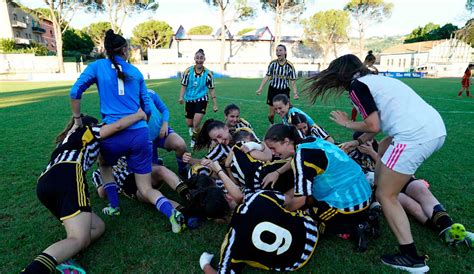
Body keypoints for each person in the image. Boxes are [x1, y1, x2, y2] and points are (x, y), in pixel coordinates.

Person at [305, 54, 447, 272]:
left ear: (341, 73)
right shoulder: (378, 80)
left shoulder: (356, 86)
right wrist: (357, 143)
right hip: (435, 129)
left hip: (414, 136)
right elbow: (380, 128)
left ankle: (411, 258)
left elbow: (372, 125)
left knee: (385, 195)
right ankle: (389, 205)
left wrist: (347, 123)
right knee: (383, 158)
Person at [69, 29, 185, 232]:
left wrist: (78, 120)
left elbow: (75, 91)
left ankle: (114, 206)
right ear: (125, 50)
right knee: (146, 188)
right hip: (139, 134)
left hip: (112, 135)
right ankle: (172, 214)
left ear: (107, 50)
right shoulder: (137, 72)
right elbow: (147, 107)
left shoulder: (97, 66)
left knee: (104, 164)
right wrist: (142, 126)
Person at [21, 111, 145, 274]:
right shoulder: (89, 130)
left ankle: (64, 253)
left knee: (98, 227)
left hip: (44, 184)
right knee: (79, 238)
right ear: (91, 125)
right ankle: (33, 271)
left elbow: (103, 164)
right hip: (68, 175)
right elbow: (118, 126)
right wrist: (138, 115)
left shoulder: (65, 140)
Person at [347, 134, 473, 248]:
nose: (366, 144)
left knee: (422, 191)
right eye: (363, 142)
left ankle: (448, 226)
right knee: (408, 203)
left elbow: (394, 166)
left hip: (399, 177)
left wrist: (373, 153)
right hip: (383, 186)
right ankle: (446, 231)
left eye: (369, 140)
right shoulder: (351, 155)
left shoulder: (383, 148)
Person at [263, 125, 372, 249]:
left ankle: (355, 228)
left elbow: (300, 199)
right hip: (363, 192)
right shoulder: (309, 141)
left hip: (350, 201)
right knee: (307, 200)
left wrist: (276, 216)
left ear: (286, 141)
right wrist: (277, 172)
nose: (272, 153)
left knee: (305, 221)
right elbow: (297, 162)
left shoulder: (302, 156)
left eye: (273, 148)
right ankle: (364, 216)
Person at [198, 161, 319, 273]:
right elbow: (289, 201)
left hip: (292, 263)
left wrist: (204, 263)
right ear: (228, 197)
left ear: (217, 220)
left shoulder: (231, 243)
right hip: (310, 231)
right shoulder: (258, 197)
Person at [178, 49, 218, 148]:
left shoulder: (208, 74)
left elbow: (211, 89)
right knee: (189, 123)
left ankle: (195, 139)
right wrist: (181, 97)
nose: (199, 60)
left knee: (196, 122)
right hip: (190, 100)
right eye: (197, 58)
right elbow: (184, 86)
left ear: (204, 59)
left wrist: (215, 104)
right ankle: (194, 130)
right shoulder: (188, 71)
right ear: (194, 59)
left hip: (202, 99)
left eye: (201, 58)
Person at [147, 89, 188, 177]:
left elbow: (164, 109)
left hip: (161, 132)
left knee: (180, 145)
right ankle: (157, 162)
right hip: (145, 141)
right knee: (155, 178)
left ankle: (182, 170)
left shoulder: (150, 93)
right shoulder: (126, 99)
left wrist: (164, 124)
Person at [256, 44, 299, 125]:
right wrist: (260, 88)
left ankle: (289, 126)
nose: (278, 52)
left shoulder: (290, 66)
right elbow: (267, 76)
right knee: (271, 115)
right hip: (273, 90)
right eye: (277, 50)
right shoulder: (272, 64)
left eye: (280, 50)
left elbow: (293, 80)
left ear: (285, 52)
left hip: (284, 91)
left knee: (287, 112)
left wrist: (295, 93)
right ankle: (272, 124)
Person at [352, 50, 379, 121]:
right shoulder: (362, 68)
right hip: (359, 88)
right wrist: (374, 70)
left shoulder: (365, 68)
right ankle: (356, 120)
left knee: (358, 105)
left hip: (365, 88)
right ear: (367, 60)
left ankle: (354, 119)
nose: (373, 64)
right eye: (372, 62)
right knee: (359, 105)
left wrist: (375, 70)